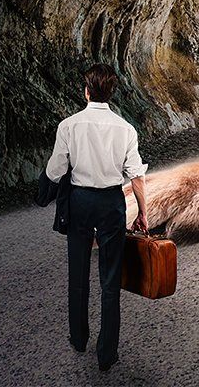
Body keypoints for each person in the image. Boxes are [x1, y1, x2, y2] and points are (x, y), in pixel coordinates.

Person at [45, 63, 149, 372]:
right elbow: (136, 176)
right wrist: (143, 212)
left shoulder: (69, 126)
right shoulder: (126, 129)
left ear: (86, 91)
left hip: (79, 201)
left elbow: (56, 170)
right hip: (110, 203)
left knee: (78, 273)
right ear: (112, 93)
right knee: (110, 278)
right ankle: (107, 353)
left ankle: (78, 338)